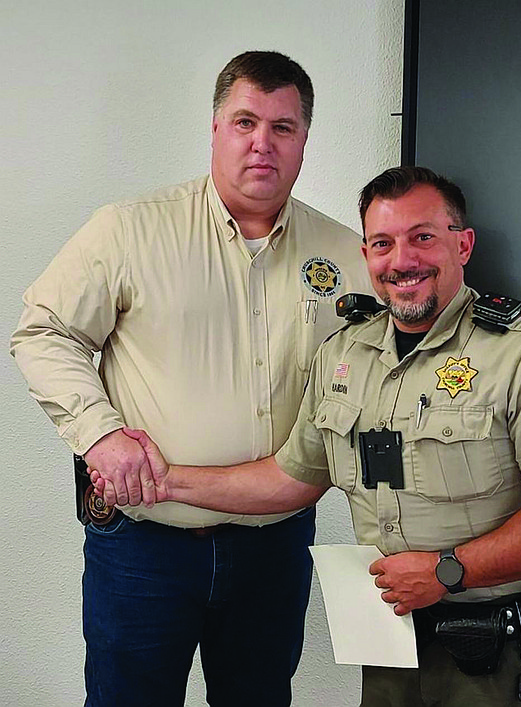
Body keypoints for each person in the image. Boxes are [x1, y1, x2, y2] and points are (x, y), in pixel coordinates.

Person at [91, 166, 521, 707]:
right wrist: (162, 481)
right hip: (388, 642)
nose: (402, 260)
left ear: (463, 245)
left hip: (494, 654)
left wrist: (448, 572)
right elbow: (287, 480)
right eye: (382, 243)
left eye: (423, 238)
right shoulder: (344, 355)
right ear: (365, 256)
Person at [10, 51, 372, 707]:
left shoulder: (349, 255)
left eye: (282, 127)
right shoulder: (129, 230)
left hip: (274, 547)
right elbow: (43, 331)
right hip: (145, 547)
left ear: (303, 140)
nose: (262, 142)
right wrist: (102, 437)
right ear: (215, 129)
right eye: (245, 122)